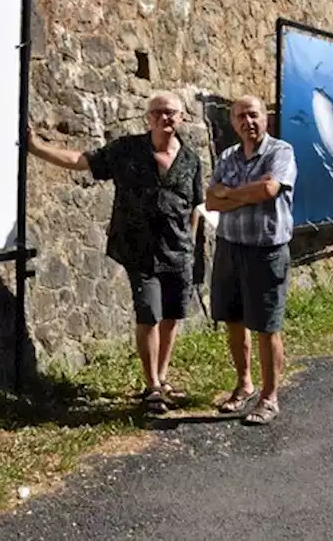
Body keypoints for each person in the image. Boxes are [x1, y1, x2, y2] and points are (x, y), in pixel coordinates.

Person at [26, 91, 205, 414]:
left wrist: (190, 244)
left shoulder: (191, 159)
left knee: (172, 316)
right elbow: (82, 161)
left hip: (178, 251)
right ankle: (151, 386)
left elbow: (195, 204)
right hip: (139, 250)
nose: (166, 117)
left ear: (181, 118)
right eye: (159, 112)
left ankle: (161, 377)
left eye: (172, 113)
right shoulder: (127, 150)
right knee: (148, 313)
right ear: (148, 118)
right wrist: (37, 148)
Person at [205, 95, 297, 426]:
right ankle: (244, 384)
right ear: (233, 123)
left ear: (265, 118)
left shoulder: (280, 152)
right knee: (233, 320)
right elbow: (210, 202)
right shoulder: (228, 156)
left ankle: (269, 398)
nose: (248, 122)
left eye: (254, 115)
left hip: (266, 249)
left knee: (266, 325)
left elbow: (268, 190)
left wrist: (230, 193)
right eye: (241, 117)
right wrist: (240, 194)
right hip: (230, 247)